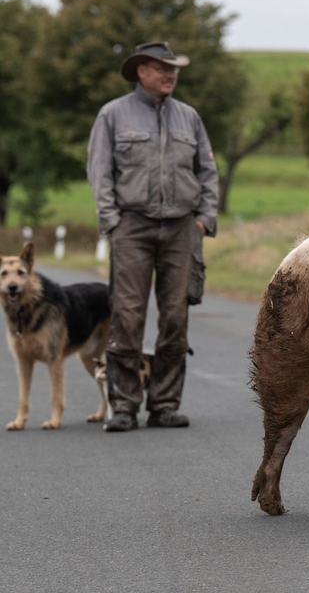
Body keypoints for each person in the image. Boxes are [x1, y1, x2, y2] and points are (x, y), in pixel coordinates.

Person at [87, 42, 219, 432]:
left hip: (182, 229)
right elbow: (100, 172)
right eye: (161, 68)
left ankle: (163, 404)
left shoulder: (189, 117)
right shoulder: (112, 114)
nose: (170, 74)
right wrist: (112, 222)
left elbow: (208, 172)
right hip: (132, 226)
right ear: (140, 71)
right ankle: (125, 406)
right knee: (127, 316)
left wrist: (203, 220)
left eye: (173, 68)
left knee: (176, 318)